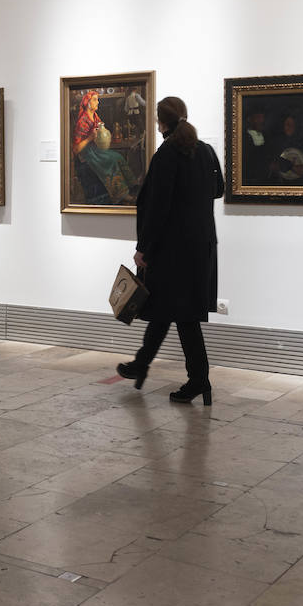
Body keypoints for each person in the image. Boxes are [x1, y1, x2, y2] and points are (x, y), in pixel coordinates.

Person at [116, 96, 224, 404]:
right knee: (168, 311)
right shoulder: (205, 151)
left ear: (161, 123)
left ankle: (198, 380)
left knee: (178, 314)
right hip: (199, 248)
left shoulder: (167, 154)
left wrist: (143, 248)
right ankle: (143, 365)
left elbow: (157, 209)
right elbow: (219, 190)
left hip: (171, 251)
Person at [73, 90, 137, 204]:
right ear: (88, 103)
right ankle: (122, 195)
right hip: (87, 154)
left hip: (96, 150)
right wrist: (90, 138)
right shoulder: (82, 121)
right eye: (95, 100)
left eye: (98, 99)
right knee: (111, 161)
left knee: (117, 156)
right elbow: (76, 149)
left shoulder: (95, 116)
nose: (98, 102)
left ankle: (132, 186)